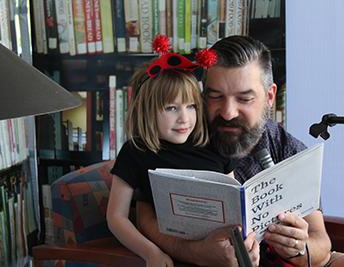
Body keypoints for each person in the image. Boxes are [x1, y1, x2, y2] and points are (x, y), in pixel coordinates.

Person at [136, 35, 332, 267]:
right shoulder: (181, 135)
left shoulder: (288, 150)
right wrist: (196, 252)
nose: (228, 112)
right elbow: (144, 214)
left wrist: (298, 247)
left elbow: (322, 244)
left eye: (244, 98)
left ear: (269, 96)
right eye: (216, 96)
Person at [106, 46, 243, 267]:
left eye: (191, 106)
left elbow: (236, 204)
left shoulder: (216, 145)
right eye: (171, 108)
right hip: (172, 255)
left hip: (224, 251)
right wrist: (150, 253)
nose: (184, 118)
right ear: (148, 110)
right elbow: (116, 217)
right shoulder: (135, 152)